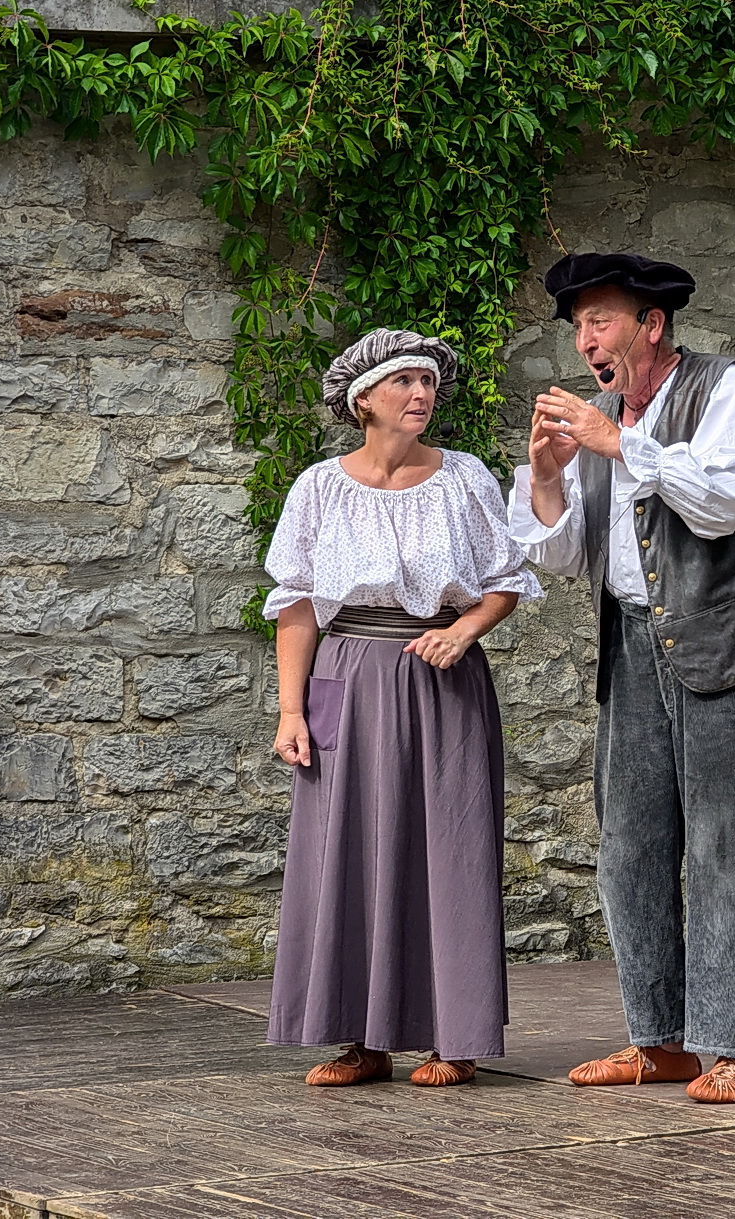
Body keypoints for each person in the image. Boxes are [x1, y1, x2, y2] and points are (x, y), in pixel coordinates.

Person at [507, 252, 735, 1104]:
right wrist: (545, 473)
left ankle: (734, 1047)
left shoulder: (722, 388)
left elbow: (722, 501)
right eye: (578, 328)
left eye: (600, 322)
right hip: (634, 645)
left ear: (651, 325)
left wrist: (620, 442)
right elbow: (563, 553)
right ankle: (660, 1040)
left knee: (728, 846)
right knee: (630, 848)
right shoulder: (601, 415)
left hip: (728, 642)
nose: (585, 343)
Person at [262, 327, 541, 1087]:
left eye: (427, 381)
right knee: (342, 847)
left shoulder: (464, 478)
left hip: (440, 678)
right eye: (403, 382)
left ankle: (455, 1037)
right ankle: (360, 1039)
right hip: (344, 674)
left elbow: (507, 576)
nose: (421, 394)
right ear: (363, 400)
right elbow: (295, 606)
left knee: (448, 848)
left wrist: (466, 629)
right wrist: (291, 711)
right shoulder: (318, 487)